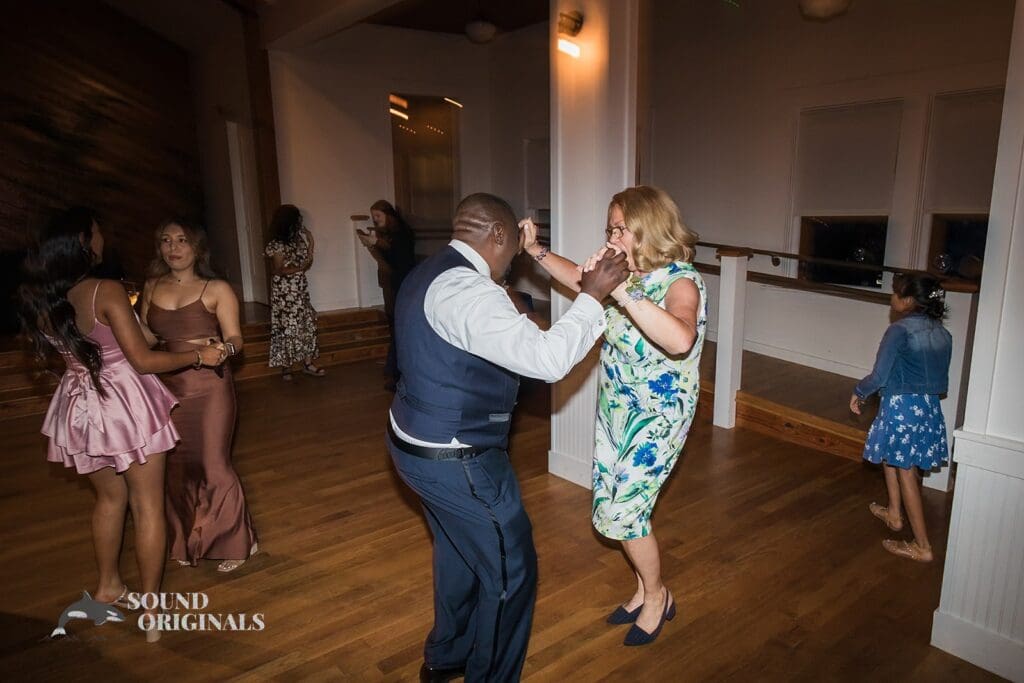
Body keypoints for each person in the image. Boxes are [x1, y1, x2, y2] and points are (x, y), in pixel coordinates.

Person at [387, 193, 629, 682]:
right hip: (457, 459)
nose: (512, 262)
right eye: (512, 251)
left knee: (457, 552)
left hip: (413, 444)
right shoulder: (468, 291)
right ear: (497, 235)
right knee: (509, 572)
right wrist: (592, 296)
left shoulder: (430, 269)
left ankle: (446, 656)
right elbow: (547, 362)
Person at [18, 208, 225, 642]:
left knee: (109, 502)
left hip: (80, 404)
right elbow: (145, 360)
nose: (101, 239)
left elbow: (80, 351)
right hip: (125, 404)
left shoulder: (42, 298)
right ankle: (151, 614)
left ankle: (108, 587)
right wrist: (197, 356)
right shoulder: (104, 290)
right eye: (96, 232)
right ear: (81, 241)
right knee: (146, 505)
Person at [523, 185, 706, 646]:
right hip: (617, 406)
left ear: (648, 228)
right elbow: (576, 277)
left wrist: (623, 292)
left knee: (625, 511)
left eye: (619, 229)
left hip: (660, 415)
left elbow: (680, 339)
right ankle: (644, 587)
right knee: (613, 502)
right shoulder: (631, 274)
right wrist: (534, 250)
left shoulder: (678, 281)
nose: (611, 236)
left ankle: (658, 595)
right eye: (610, 228)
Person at [142, 219, 258, 573]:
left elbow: (236, 337)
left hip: (209, 386)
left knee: (213, 463)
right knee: (176, 466)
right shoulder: (151, 286)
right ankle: (185, 536)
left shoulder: (216, 288)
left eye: (182, 240)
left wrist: (225, 349)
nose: (173, 247)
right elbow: (146, 338)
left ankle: (237, 541)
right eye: (166, 240)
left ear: (197, 248)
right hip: (167, 385)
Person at [850, 273, 952, 563]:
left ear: (907, 300)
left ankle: (922, 547)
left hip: (900, 406)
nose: (891, 298)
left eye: (895, 293)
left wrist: (860, 391)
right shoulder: (944, 334)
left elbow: (879, 375)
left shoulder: (899, 331)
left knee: (906, 471)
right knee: (890, 455)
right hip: (928, 407)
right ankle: (894, 515)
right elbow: (941, 382)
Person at [357, 199, 416, 389]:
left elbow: (401, 258)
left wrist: (377, 243)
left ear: (389, 215)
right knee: (395, 328)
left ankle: (397, 373)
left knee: (399, 329)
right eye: (373, 217)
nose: (375, 220)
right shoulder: (389, 234)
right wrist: (374, 244)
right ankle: (395, 372)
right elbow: (388, 261)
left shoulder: (402, 233)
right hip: (394, 284)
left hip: (404, 285)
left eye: (378, 216)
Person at [264, 204, 324, 380]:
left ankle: (307, 363)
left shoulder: (298, 240)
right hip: (284, 293)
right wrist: (300, 267)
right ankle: (286, 366)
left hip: (300, 289)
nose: (300, 222)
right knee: (287, 327)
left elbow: (307, 262)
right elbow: (278, 270)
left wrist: (311, 241)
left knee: (308, 323)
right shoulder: (276, 244)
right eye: (297, 219)